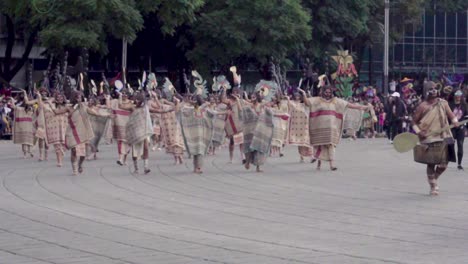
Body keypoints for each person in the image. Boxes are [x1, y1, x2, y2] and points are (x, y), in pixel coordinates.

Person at [299, 86, 370, 171]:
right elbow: (307, 103)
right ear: (323, 92)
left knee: (331, 144)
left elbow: (348, 105)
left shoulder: (336, 101)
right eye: (326, 92)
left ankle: (332, 165)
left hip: (332, 128)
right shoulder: (317, 100)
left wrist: (361, 107)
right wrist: (303, 94)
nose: (328, 94)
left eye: (329, 92)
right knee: (320, 145)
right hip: (319, 127)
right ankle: (319, 163)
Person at [412, 81, 459, 196]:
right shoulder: (422, 106)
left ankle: (434, 178)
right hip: (429, 137)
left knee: (444, 164)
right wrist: (419, 132)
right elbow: (413, 122)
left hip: (446, 135)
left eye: (435, 88)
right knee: (431, 162)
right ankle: (433, 185)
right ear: (426, 91)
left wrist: (455, 121)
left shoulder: (443, 103)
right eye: (431, 89)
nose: (434, 91)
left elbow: (451, 115)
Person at [449, 89, 467, 170]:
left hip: (461, 128)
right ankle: (447, 160)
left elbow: (466, 117)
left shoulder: (464, 105)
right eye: (457, 94)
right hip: (451, 128)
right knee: (449, 144)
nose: (458, 96)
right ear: (454, 95)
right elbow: (446, 116)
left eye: (460, 94)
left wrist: (464, 126)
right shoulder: (450, 105)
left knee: (460, 145)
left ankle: (459, 164)